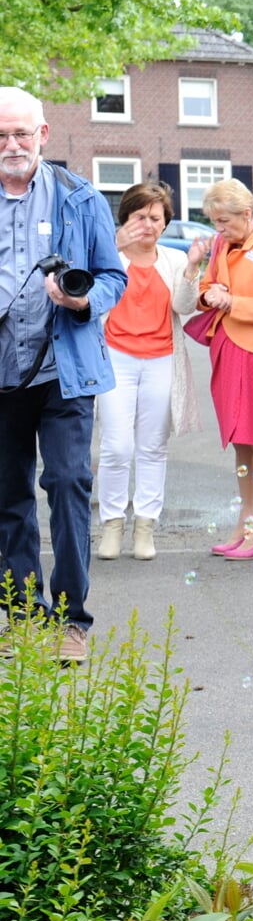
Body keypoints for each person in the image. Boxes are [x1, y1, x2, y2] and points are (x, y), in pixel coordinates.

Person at [0, 86, 127, 663]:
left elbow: (113, 278)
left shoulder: (81, 197)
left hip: (64, 370)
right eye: (1, 135)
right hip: (2, 375)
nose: (11, 144)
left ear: (43, 135)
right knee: (8, 496)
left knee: (69, 484)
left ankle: (72, 618)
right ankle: (25, 616)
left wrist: (81, 303)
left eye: (22, 133)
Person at [95, 183, 205, 561]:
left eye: (155, 218)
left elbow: (184, 306)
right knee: (116, 446)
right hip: (115, 359)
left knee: (153, 447)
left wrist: (192, 268)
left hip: (161, 359)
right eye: (138, 216)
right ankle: (111, 525)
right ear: (124, 219)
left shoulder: (172, 261)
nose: (147, 225)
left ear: (165, 223)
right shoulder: (108, 255)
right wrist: (117, 244)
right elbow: (90, 294)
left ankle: (145, 527)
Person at [197, 178, 253, 561]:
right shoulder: (221, 243)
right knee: (240, 439)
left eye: (224, 221)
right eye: (215, 222)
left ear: (247, 214)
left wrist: (231, 300)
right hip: (226, 346)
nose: (219, 229)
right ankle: (246, 522)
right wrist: (208, 295)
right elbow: (206, 287)